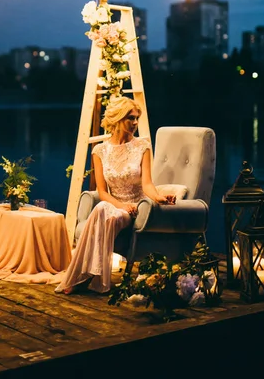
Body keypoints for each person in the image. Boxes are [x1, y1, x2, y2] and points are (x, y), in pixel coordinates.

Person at [55, 96, 176, 295]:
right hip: (113, 204)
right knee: (103, 208)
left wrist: (158, 198)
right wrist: (120, 205)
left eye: (137, 118)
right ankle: (88, 275)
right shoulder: (100, 151)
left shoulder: (142, 146)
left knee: (105, 212)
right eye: (131, 118)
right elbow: (102, 192)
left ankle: (85, 276)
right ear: (118, 119)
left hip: (135, 208)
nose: (135, 123)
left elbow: (147, 184)